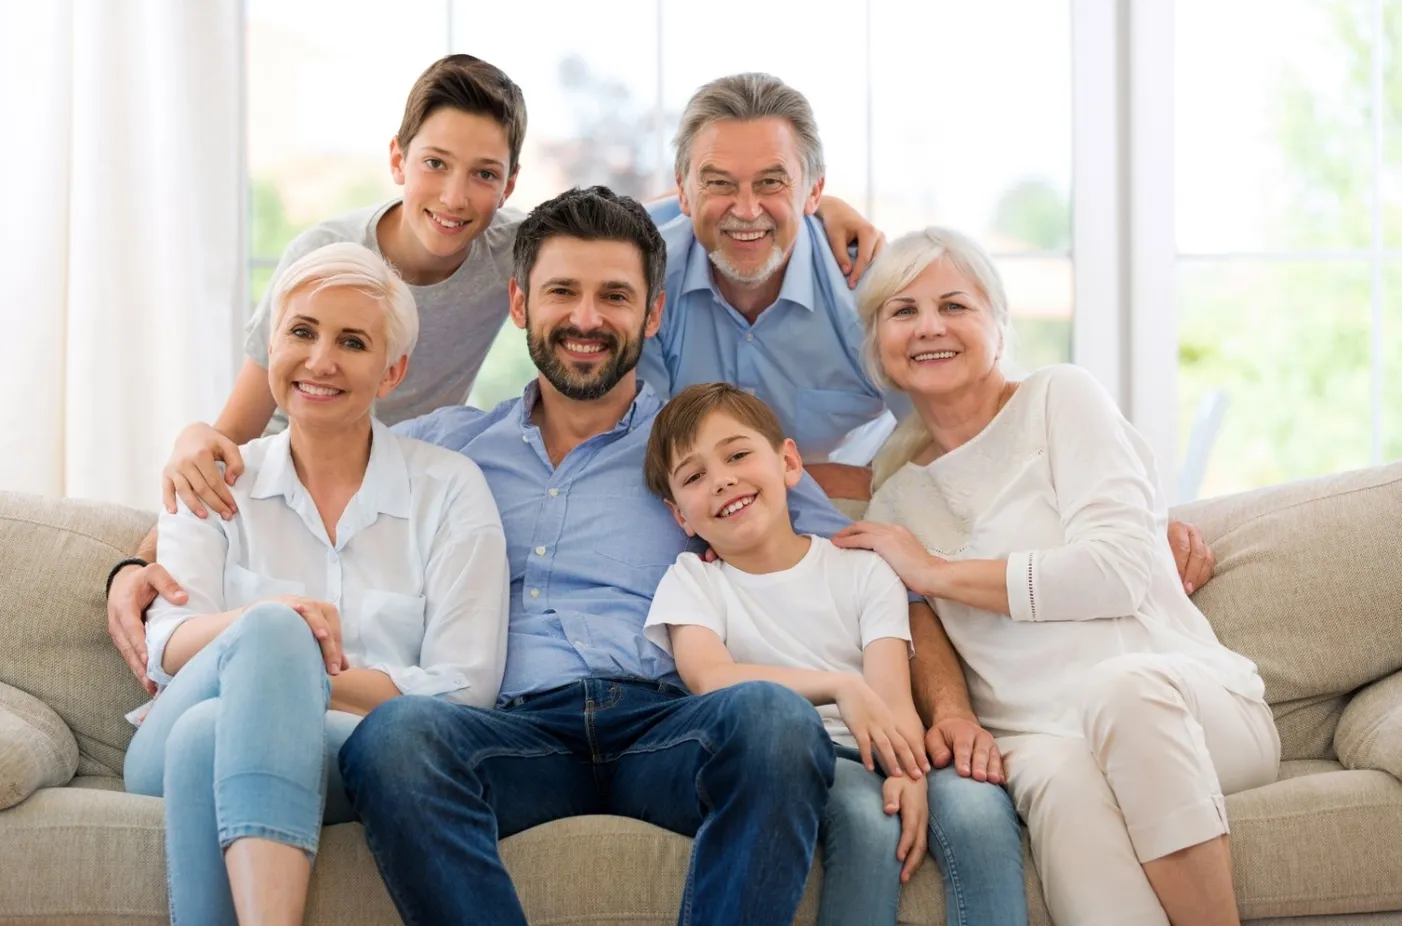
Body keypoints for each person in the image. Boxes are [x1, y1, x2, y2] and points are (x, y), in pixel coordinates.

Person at [105, 188, 1012, 924]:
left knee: (771, 720)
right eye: (562, 293)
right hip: (510, 731)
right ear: (518, 305)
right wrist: (135, 559)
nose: (587, 318)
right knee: (400, 738)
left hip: (663, 722)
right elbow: (314, 433)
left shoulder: (702, 454)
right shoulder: (446, 451)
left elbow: (870, 569)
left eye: (615, 296)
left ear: (653, 313)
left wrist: (944, 712)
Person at [161, 56, 882, 527]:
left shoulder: (512, 247)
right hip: (307, 464)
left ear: (508, 184)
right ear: (398, 160)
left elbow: (637, 216)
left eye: (482, 174)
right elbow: (241, 426)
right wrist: (194, 454)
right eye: (435, 164)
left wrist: (817, 208)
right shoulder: (324, 256)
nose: (453, 196)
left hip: (405, 478)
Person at [833, 226, 1281, 926]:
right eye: (903, 311)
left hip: (1185, 709)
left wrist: (937, 571)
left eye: (955, 305)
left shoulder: (1061, 399)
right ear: (878, 348)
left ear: (998, 326)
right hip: (1039, 740)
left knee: (1121, 689)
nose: (930, 327)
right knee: (1065, 786)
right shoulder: (893, 502)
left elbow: (1119, 571)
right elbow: (915, 632)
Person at [121, 241, 510, 925]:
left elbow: (463, 687)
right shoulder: (212, 480)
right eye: (300, 332)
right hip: (165, 734)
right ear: (271, 346)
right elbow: (169, 644)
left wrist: (280, 680)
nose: (320, 360)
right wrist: (274, 638)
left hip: (343, 747)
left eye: (352, 341)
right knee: (273, 626)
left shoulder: (450, 490)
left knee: (211, 731)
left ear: (392, 372)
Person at [640, 382, 1027, 926]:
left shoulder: (862, 568)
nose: (722, 479)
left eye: (737, 455)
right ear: (680, 515)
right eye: (694, 476)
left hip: (887, 745)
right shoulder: (693, 582)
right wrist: (838, 686)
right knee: (869, 818)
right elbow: (711, 677)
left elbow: (893, 697)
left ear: (789, 462)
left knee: (978, 807)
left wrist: (910, 772)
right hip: (800, 762)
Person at [639, 73, 906, 496]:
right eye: (719, 183)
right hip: (689, 518)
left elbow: (947, 444)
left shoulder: (874, 291)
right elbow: (637, 453)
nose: (746, 211)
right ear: (684, 192)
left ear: (814, 191)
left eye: (771, 182)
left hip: (849, 513)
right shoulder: (640, 273)